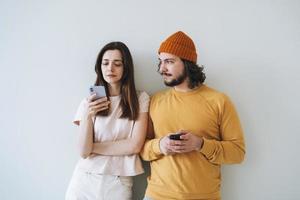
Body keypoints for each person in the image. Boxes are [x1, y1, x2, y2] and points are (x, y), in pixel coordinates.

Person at [140, 31, 246, 200]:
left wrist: (200, 144)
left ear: (187, 63)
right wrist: (161, 145)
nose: (162, 68)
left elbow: (237, 153)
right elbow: (142, 150)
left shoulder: (219, 100)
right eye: (160, 61)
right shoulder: (155, 100)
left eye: (169, 61)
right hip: (157, 195)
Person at [66, 41, 149, 200]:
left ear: (126, 68)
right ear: (100, 67)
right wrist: (88, 115)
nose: (110, 68)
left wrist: (93, 147)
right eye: (105, 63)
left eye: (117, 64)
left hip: (118, 182)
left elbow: (134, 145)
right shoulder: (89, 102)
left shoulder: (140, 99)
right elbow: (83, 152)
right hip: (84, 179)